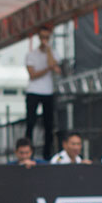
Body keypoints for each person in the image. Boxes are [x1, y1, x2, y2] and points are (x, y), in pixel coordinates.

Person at [24, 26, 61, 158]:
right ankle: (28, 153)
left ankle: (47, 155)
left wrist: (49, 50)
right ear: (38, 38)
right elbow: (32, 75)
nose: (44, 40)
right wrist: (48, 68)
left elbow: (55, 65)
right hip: (33, 91)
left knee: (48, 124)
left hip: (48, 91)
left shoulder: (54, 53)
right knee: (30, 122)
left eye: (47, 37)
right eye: (42, 37)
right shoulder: (31, 54)